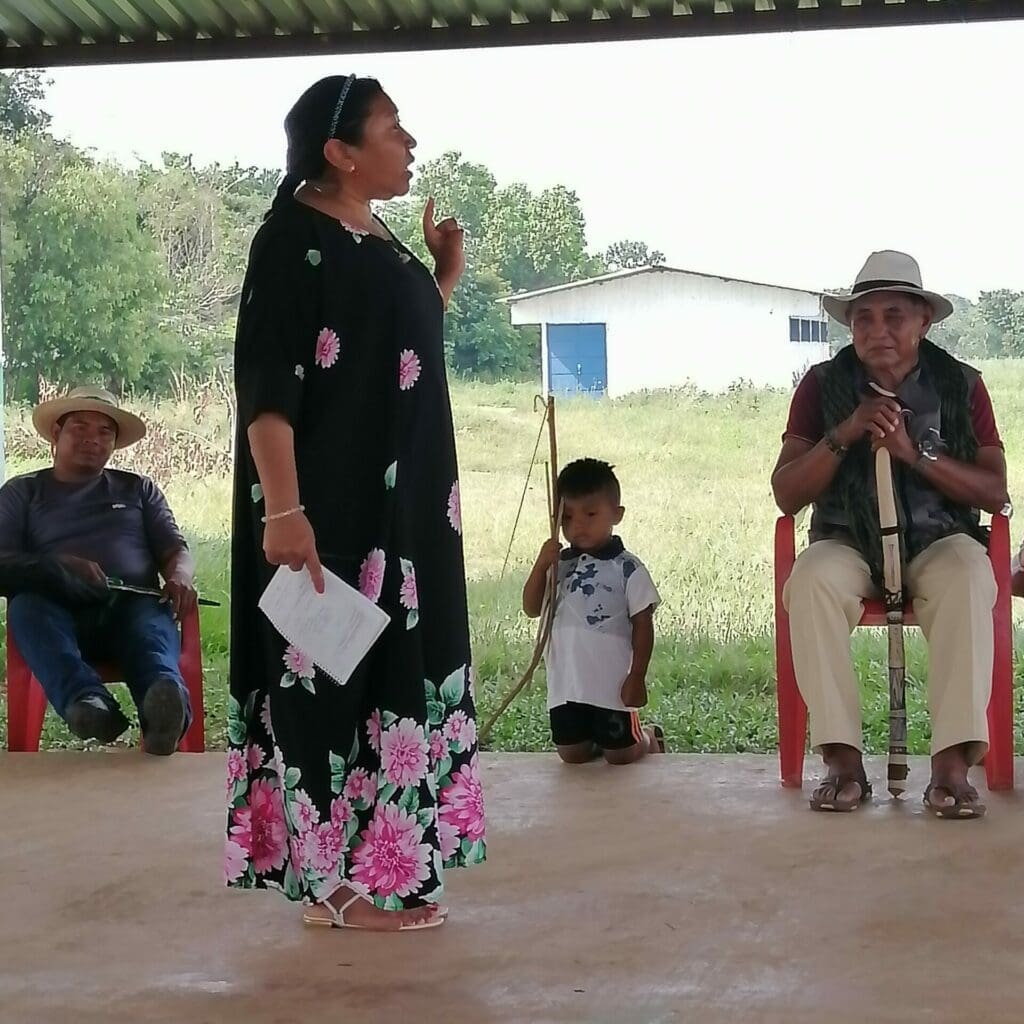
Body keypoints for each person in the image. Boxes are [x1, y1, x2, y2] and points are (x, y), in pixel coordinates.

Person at [225, 75, 485, 932]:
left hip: (405, 513)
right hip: (327, 511)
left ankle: (389, 867)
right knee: (323, 678)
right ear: (339, 153)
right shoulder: (289, 240)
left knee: (389, 676)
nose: (409, 143)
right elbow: (266, 388)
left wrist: (442, 275)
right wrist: (284, 511)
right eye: (391, 129)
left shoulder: (375, 235)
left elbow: (392, 350)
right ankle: (328, 885)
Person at [772, 251, 1009, 819]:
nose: (877, 330)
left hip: (937, 540)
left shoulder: (962, 386)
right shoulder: (822, 387)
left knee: (970, 575)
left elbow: (995, 491)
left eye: (894, 316)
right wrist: (846, 432)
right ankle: (842, 761)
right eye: (864, 318)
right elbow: (786, 493)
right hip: (847, 541)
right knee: (810, 582)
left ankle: (952, 767)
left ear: (924, 321)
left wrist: (916, 453)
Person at [0, 386, 196, 755]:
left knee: (152, 631)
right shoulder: (22, 492)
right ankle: (89, 704)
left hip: (131, 604)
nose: (93, 438)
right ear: (56, 434)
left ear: (115, 443)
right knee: (27, 608)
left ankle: (165, 714)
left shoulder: (138, 489)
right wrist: (55, 566)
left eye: (105, 431)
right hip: (54, 608)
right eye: (80, 427)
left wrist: (180, 576)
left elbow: (176, 549)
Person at [524, 458, 664, 765]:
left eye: (590, 514)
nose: (578, 525)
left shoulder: (628, 568)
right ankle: (597, 739)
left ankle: (649, 738)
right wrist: (541, 565)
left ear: (617, 514)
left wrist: (637, 675)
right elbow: (532, 608)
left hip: (610, 681)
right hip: (566, 682)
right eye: (568, 517)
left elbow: (643, 624)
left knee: (622, 755)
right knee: (572, 755)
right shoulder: (557, 565)